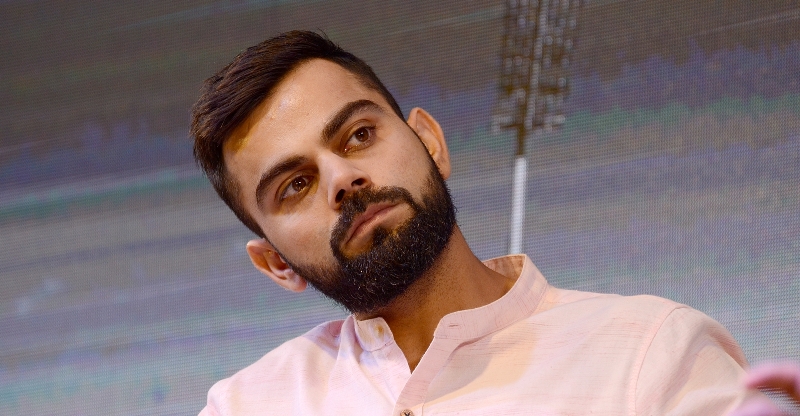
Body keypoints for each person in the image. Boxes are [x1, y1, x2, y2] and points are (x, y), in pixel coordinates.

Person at [190, 30, 787, 415]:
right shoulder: (246, 405)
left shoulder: (652, 350)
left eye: (359, 135)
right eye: (295, 185)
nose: (342, 178)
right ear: (276, 264)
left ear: (430, 143)